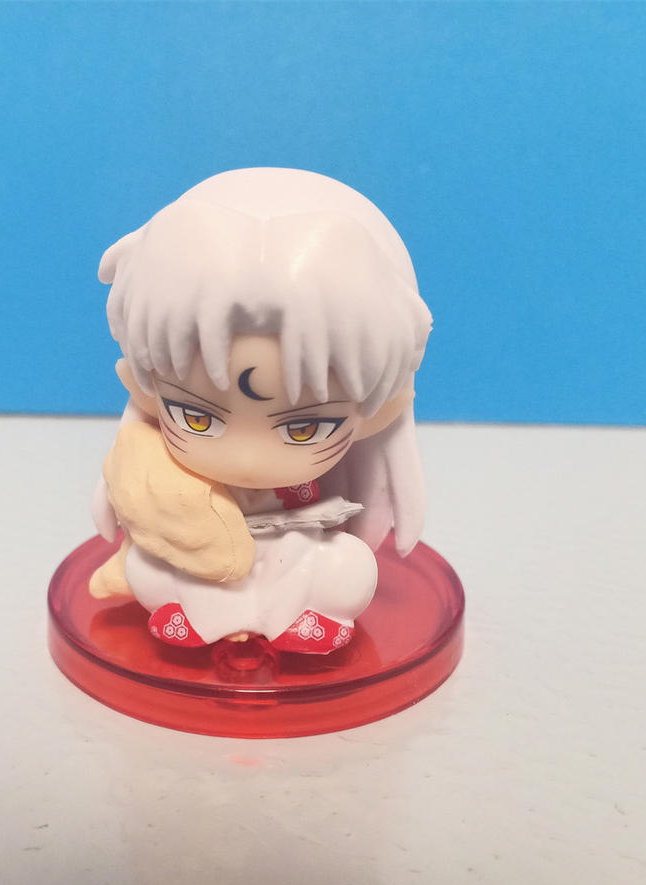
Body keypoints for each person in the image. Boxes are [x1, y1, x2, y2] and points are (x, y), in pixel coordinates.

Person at [89, 168, 432, 654]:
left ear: (377, 412)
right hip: (203, 566)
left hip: (294, 554)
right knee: (146, 564)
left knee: (349, 565)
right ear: (144, 388)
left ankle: (305, 618)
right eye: (197, 418)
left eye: (305, 427)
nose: (247, 458)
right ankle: (194, 615)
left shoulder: (308, 487)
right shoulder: (166, 464)